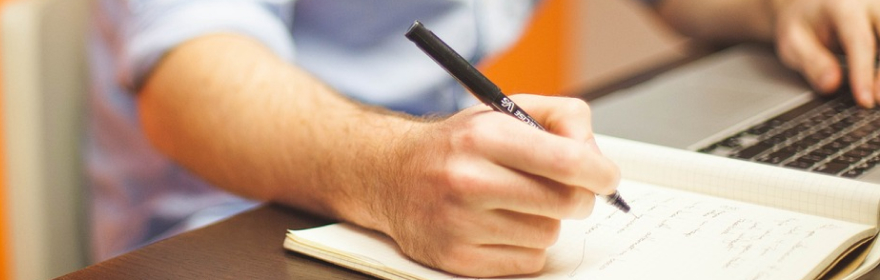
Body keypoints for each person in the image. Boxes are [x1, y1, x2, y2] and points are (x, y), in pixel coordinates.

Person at [86, 0, 880, 277]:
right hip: (238, 225)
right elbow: (189, 80)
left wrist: (782, 5)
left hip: (446, 189)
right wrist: (391, 171)